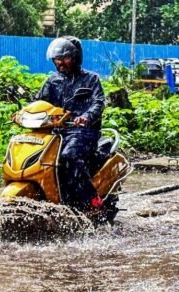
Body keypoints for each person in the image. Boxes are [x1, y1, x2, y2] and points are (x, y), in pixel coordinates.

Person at [34, 36, 105, 211]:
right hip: (55, 131)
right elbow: (38, 102)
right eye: (57, 58)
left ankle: (91, 199)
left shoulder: (91, 79)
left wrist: (86, 117)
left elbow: (98, 103)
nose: (60, 62)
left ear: (76, 57)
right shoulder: (52, 81)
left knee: (68, 157)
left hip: (82, 131)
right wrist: (24, 113)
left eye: (64, 57)